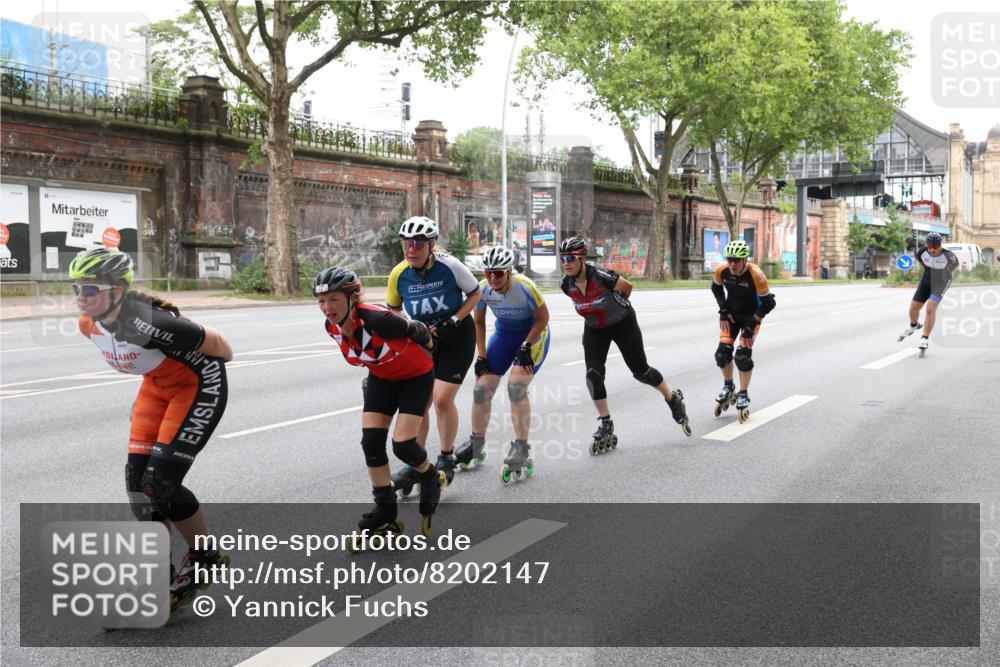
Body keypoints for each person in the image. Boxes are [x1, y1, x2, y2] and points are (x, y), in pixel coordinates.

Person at [68, 248, 233, 618]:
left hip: (196, 385)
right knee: (137, 485)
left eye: (91, 288)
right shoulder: (87, 324)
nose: (81, 296)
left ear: (117, 291)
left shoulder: (146, 322)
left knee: (161, 483)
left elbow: (223, 347)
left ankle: (206, 555)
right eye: (76, 286)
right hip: (156, 387)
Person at [314, 267, 443, 542]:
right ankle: (385, 509)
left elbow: (420, 333)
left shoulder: (378, 319)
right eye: (322, 301)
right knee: (371, 443)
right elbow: (363, 356)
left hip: (415, 377)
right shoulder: (332, 328)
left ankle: (430, 475)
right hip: (382, 379)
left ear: (352, 298)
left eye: (334, 299)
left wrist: (431, 367)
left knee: (403, 445)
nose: (327, 308)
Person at [558, 237, 690, 454]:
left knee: (641, 372)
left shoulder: (600, 276)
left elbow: (627, 287)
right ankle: (605, 422)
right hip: (594, 328)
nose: (566, 262)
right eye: (563, 258)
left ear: (582, 258)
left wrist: (616, 305)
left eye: (571, 258)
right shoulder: (566, 284)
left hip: (622, 322)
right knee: (593, 375)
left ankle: (672, 398)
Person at [386, 216, 481, 492]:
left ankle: (446, 456)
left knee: (441, 399)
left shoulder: (450, 266)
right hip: (425, 342)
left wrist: (454, 319)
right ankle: (417, 463)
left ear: (431, 245)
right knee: (421, 402)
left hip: (457, 337)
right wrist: (409, 327)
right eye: (406, 243)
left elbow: (474, 294)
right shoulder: (398, 274)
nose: (410, 249)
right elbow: (393, 310)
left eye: (417, 244)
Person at [455, 246, 551, 484]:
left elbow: (542, 318)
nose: (493, 278)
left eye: (498, 273)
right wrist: (482, 355)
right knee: (481, 388)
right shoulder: (484, 289)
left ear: (509, 272)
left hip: (532, 335)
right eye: (489, 273)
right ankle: (476, 442)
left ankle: (521, 447)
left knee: (516, 388)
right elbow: (479, 323)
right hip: (505, 336)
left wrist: (527, 345)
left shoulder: (526, 286)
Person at [710, 240, 777, 422]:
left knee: (742, 357)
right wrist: (723, 310)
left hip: (751, 316)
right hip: (731, 315)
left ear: (745, 259)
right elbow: (716, 288)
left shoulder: (756, 274)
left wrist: (753, 323)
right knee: (722, 354)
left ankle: (743, 393)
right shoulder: (722, 270)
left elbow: (769, 303)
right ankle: (728, 386)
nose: (732, 263)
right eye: (730, 259)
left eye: (737, 260)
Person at [899, 232, 958, 355]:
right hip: (927, 279)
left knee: (930, 308)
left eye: (935, 247)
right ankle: (914, 325)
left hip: (941, 282)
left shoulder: (949, 256)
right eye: (930, 246)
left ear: (940, 246)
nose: (932, 249)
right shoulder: (921, 252)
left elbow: (953, 268)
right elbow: (921, 262)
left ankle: (925, 338)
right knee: (914, 308)